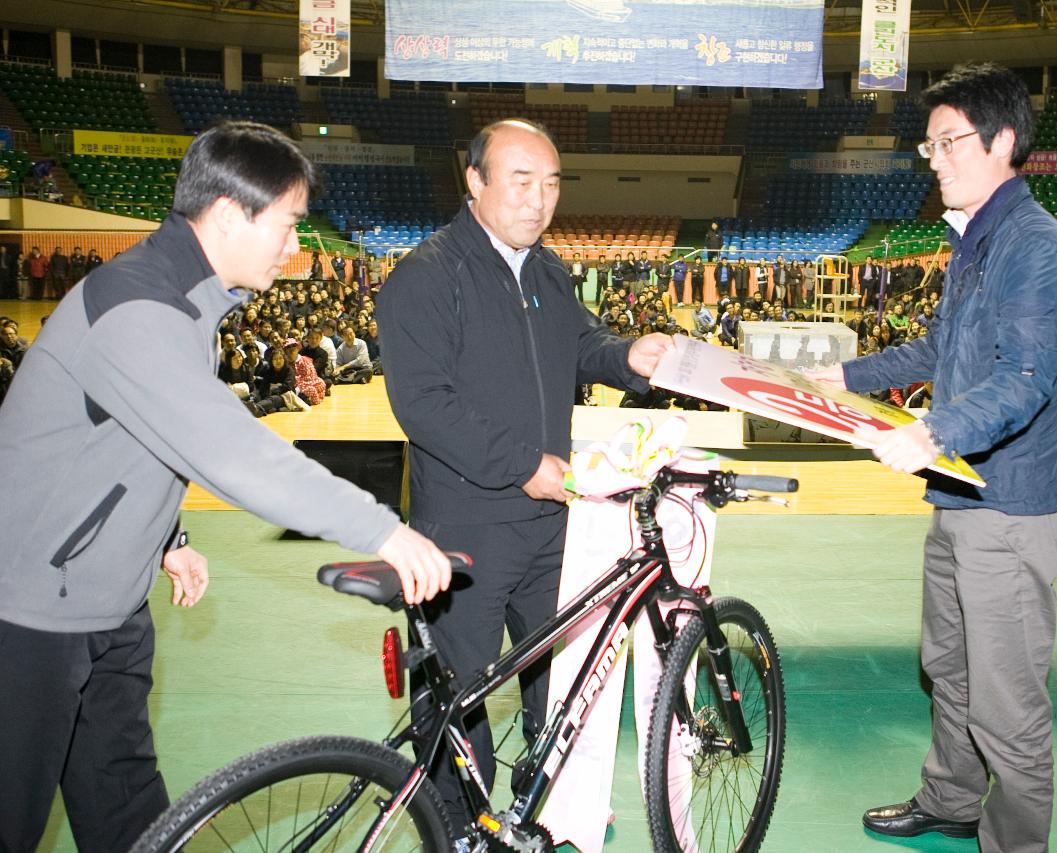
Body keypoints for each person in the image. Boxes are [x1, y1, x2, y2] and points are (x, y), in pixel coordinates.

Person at [0, 121, 454, 853]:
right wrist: (383, 530)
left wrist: (165, 538)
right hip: (28, 614)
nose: (293, 245)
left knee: (132, 819)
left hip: (107, 604)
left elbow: (133, 440)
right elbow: (233, 454)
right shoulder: (138, 309)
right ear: (226, 214)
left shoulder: (190, 300)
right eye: (287, 224)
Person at [813, 63, 1057, 853]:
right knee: (950, 664)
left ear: (1001, 141)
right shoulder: (976, 241)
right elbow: (941, 346)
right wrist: (845, 375)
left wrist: (930, 432)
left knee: (1007, 700)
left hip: (1011, 507)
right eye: (928, 144)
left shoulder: (1033, 248)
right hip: (965, 496)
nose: (931, 158)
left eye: (946, 141)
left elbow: (1025, 380)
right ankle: (954, 798)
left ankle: (1015, 842)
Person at [376, 119, 673, 841]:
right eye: (520, 180)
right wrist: (523, 465)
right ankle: (456, 834)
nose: (539, 200)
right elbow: (425, 406)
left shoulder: (545, 269)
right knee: (459, 713)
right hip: (464, 534)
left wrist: (630, 353)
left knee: (564, 694)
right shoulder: (426, 275)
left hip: (551, 528)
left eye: (551, 183)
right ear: (473, 182)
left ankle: (540, 820)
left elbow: (582, 346)